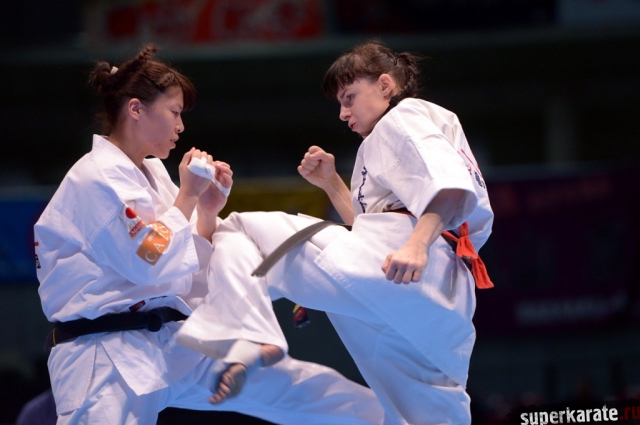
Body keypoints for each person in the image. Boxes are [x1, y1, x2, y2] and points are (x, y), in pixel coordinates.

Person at [34, 43, 385, 424]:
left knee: (310, 393)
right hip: (103, 354)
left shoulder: (150, 174)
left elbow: (187, 268)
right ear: (136, 109)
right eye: (174, 112)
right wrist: (187, 194)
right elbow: (149, 263)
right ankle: (254, 338)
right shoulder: (96, 177)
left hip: (167, 340)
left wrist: (206, 211)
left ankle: (396, 417)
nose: (180, 127)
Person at [176, 40, 494, 424]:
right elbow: (370, 227)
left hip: (410, 262)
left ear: (385, 85)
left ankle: (253, 334)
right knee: (424, 416)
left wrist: (417, 245)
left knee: (240, 229)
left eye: (349, 98)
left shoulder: (403, 116)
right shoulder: (397, 133)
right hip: (438, 296)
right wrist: (331, 184)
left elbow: (451, 188)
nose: (343, 114)